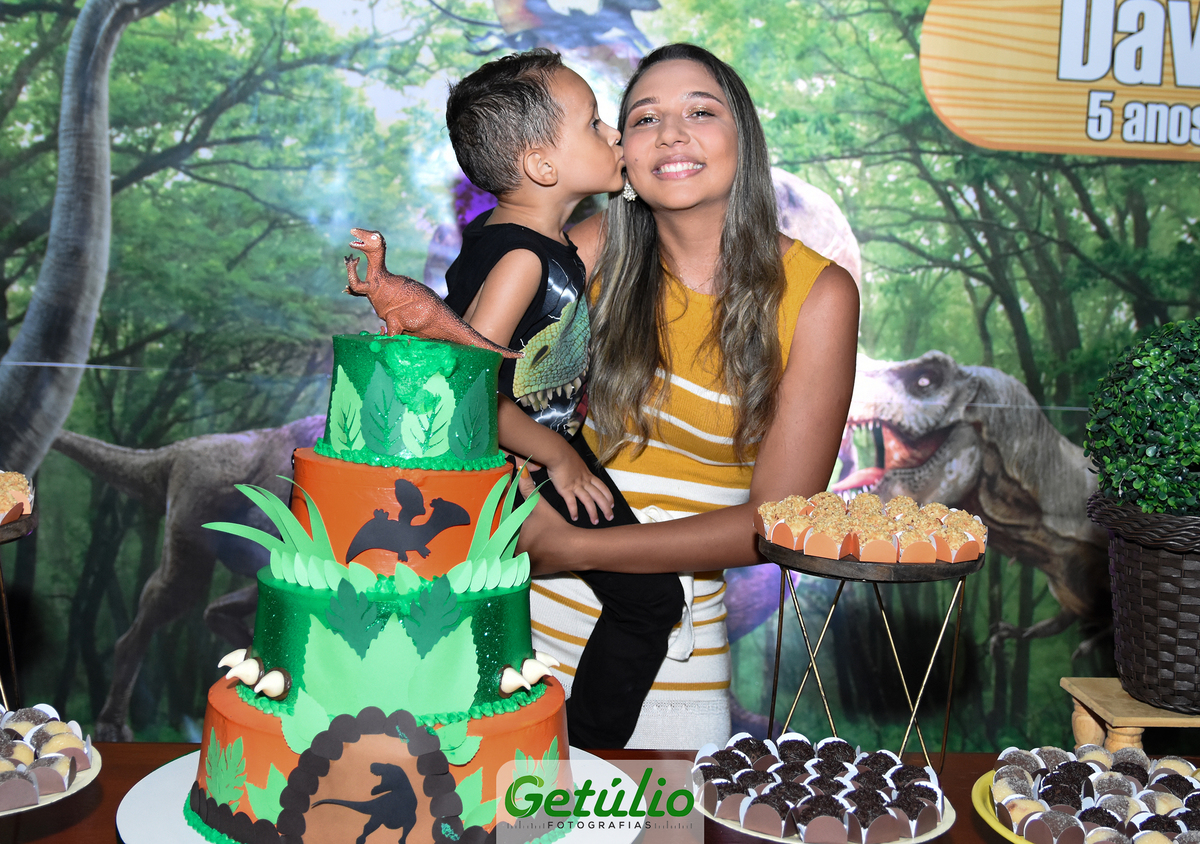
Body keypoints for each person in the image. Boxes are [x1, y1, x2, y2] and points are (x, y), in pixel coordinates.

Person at [517, 43, 860, 750]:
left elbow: (777, 522)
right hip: (527, 621)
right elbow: (478, 384)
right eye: (645, 119)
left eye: (700, 112)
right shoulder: (588, 251)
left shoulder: (819, 294)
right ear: (623, 153)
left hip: (674, 651)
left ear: (744, 139)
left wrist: (572, 545)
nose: (671, 133)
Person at [442, 49, 686, 749]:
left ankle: (562, 750)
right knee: (649, 600)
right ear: (542, 165)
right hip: (522, 459)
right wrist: (555, 457)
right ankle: (570, 758)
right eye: (595, 123)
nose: (614, 135)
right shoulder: (521, 261)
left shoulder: (538, 245)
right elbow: (464, 391)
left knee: (647, 598)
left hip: (545, 446)